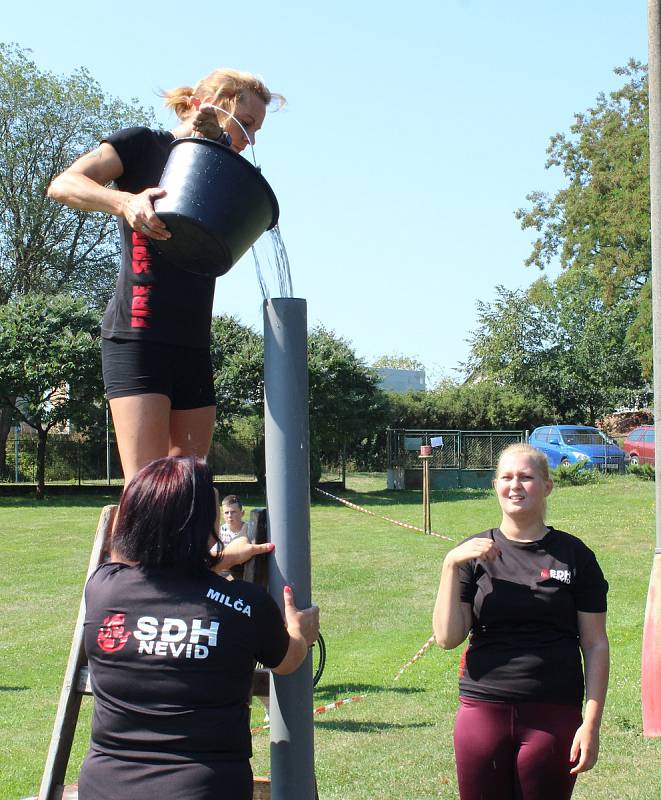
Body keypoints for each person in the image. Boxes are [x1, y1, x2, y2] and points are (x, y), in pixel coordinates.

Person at [47, 69, 283, 484]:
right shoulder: (142, 146)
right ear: (202, 106)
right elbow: (64, 184)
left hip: (192, 344)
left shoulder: (224, 171)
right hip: (137, 337)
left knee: (188, 489)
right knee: (147, 491)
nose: (249, 139)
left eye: (256, 130)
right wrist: (125, 201)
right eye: (244, 123)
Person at [79, 456, 319, 800]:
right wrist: (301, 632)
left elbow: (155, 571)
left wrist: (219, 558)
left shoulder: (102, 588)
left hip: (105, 786)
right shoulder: (245, 605)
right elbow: (287, 660)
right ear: (204, 525)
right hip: (203, 788)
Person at [432, 443, 609, 800]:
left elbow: (595, 644)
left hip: (553, 714)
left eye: (527, 477)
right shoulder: (472, 553)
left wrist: (591, 722)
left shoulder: (575, 555)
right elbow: (447, 637)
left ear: (547, 486)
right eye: (507, 477)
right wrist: (450, 565)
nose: (516, 485)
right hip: (482, 710)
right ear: (495, 485)